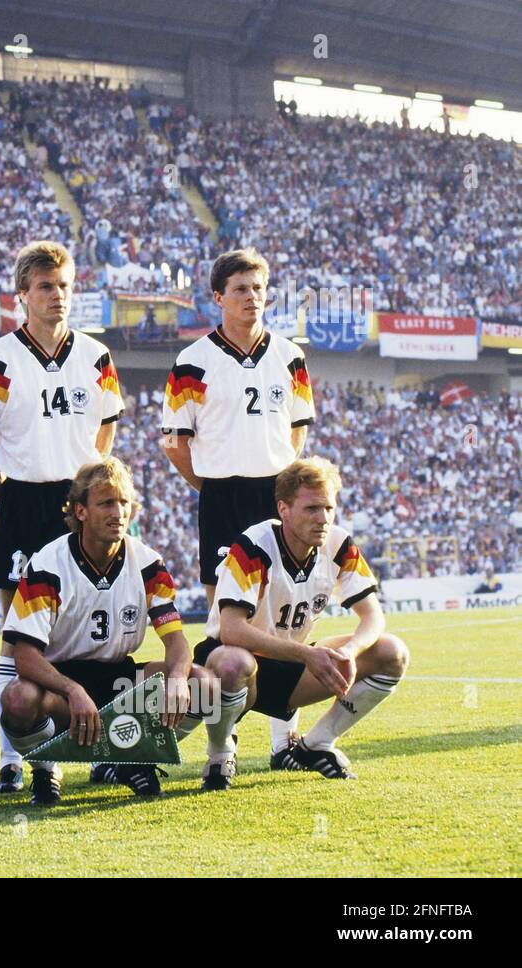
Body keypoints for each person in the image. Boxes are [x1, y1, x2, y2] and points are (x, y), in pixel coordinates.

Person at [0, 240, 123, 795]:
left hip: (81, 504)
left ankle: (101, 750)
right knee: (18, 636)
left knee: (87, 633)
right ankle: (16, 756)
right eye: (46, 287)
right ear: (22, 295)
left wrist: (88, 483)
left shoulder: (96, 356)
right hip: (26, 502)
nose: (58, 296)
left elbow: (106, 430)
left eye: (65, 286)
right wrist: (7, 490)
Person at [159, 247, 315, 765]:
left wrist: (277, 482)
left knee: (281, 621)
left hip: (276, 493)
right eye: (242, 289)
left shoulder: (290, 354)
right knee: (224, 622)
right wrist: (212, 487)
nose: (253, 297)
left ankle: (283, 741)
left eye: (259, 288)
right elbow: (176, 442)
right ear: (218, 297)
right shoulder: (192, 361)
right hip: (222, 494)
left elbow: (298, 427)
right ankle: (221, 739)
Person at [0, 458, 233, 801]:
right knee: (18, 700)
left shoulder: (148, 562)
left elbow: (176, 641)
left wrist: (179, 679)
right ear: (80, 511)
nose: (118, 512)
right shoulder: (47, 564)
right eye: (107, 503)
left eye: (124, 502)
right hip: (60, 684)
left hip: (119, 680)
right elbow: (25, 656)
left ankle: (135, 757)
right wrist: (73, 690)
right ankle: (46, 769)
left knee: (204, 685)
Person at [194, 457, 409, 783]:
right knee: (232, 664)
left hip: (289, 666)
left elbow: (373, 616)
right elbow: (231, 629)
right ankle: (220, 753)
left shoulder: (338, 544)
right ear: (284, 509)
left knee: (391, 653)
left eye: (328, 508)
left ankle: (317, 744)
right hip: (229, 663)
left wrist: (350, 651)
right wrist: (308, 654)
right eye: (311, 509)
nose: (323, 518)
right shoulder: (253, 545)